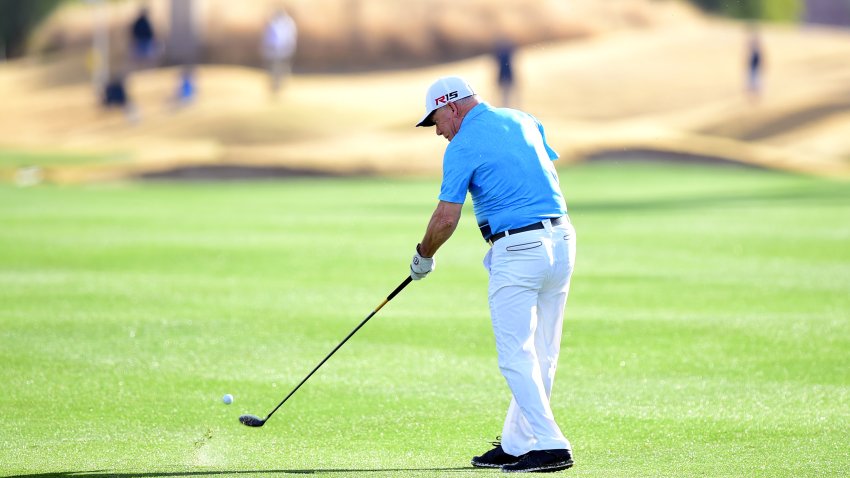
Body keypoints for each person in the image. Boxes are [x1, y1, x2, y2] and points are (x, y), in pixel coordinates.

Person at [409, 76, 577, 473]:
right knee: (542, 351)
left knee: (516, 353)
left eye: (436, 121)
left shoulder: (464, 143)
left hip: (517, 249)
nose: (438, 132)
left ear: (452, 107)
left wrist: (423, 256)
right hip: (563, 239)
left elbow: (446, 217)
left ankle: (551, 443)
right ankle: (519, 443)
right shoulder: (522, 118)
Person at [261, 9, 298, 96]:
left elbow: (290, 37)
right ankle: (274, 86)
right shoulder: (272, 23)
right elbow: (268, 37)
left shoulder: (288, 23)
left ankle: (280, 85)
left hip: (284, 50)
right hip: (273, 50)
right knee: (273, 69)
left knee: (282, 68)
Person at [494, 38, 516, 108]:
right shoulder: (507, 54)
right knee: (505, 94)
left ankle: (507, 106)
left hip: (505, 75)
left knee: (506, 94)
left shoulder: (500, 54)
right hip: (505, 75)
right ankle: (506, 106)